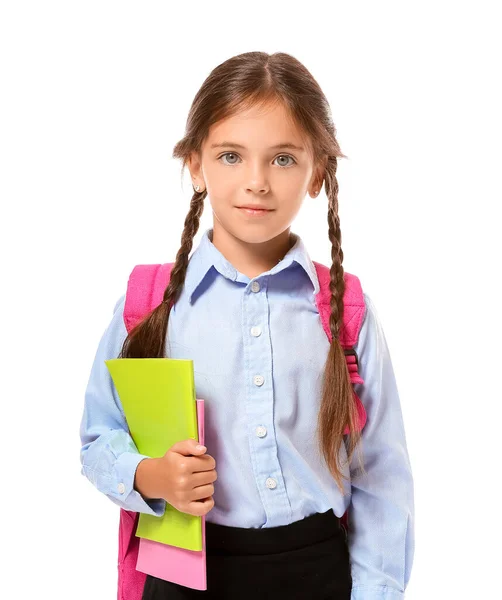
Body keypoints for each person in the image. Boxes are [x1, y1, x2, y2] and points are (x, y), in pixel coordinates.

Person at [79, 51, 415, 600]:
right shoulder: (148, 305)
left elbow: (380, 475)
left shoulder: (344, 311)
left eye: (283, 159)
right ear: (194, 163)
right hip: (187, 570)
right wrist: (152, 477)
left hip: (315, 570)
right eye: (231, 155)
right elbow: (97, 437)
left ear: (318, 172)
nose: (256, 181)